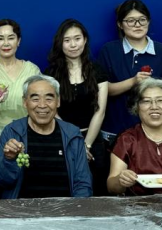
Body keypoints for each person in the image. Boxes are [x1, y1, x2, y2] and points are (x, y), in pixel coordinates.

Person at [0, 75, 93, 199]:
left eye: (49, 98)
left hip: (65, 209)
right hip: (22, 209)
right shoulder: (12, 132)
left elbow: (83, 184)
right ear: (25, 102)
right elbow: (3, 182)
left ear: (58, 101)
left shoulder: (72, 134)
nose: (42, 105)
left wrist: (74, 208)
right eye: (35, 99)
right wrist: (9, 160)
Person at [0, 19, 41, 198]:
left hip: (25, 136)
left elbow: (40, 105)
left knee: (26, 189)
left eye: (11, 38)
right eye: (0, 38)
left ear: (18, 41)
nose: (6, 43)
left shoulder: (32, 70)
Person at [44, 19, 109, 195]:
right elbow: (51, 111)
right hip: (61, 139)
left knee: (97, 191)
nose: (73, 45)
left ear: (85, 40)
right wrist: (73, 142)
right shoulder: (51, 73)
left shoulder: (97, 71)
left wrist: (86, 146)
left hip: (93, 139)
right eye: (67, 40)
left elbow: (100, 111)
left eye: (77, 38)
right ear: (60, 43)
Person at [97, 0, 162, 136]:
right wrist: (133, 81)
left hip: (152, 131)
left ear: (148, 22)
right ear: (120, 24)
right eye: (131, 21)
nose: (137, 25)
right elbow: (103, 90)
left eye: (142, 20)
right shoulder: (109, 50)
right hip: (115, 130)